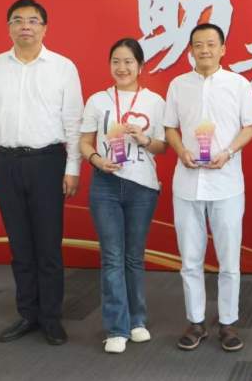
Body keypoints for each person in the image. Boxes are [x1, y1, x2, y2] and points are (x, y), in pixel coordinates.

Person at [0, 0, 82, 345]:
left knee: (48, 246)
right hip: (4, 163)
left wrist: (73, 167)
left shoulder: (63, 67)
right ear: (8, 28)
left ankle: (51, 318)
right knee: (19, 246)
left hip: (47, 163)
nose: (25, 26)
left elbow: (74, 122)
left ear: (44, 28)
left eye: (33, 20)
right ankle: (27, 314)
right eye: (18, 20)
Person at [164, 23, 252, 352]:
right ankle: (195, 322)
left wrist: (229, 152)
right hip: (187, 183)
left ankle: (228, 323)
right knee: (190, 259)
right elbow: (170, 128)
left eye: (210, 44)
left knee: (229, 259)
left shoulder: (238, 84)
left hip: (226, 183)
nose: (204, 50)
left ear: (223, 49)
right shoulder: (178, 85)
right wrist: (181, 151)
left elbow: (251, 126)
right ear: (190, 50)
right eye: (198, 45)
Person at [79, 38, 167, 353]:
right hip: (105, 183)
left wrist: (143, 139)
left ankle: (137, 320)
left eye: (129, 61)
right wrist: (96, 160)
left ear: (140, 66)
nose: (122, 67)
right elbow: (84, 142)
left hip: (142, 185)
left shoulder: (155, 101)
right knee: (112, 256)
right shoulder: (97, 100)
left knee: (133, 256)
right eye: (116, 61)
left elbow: (163, 146)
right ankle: (117, 327)